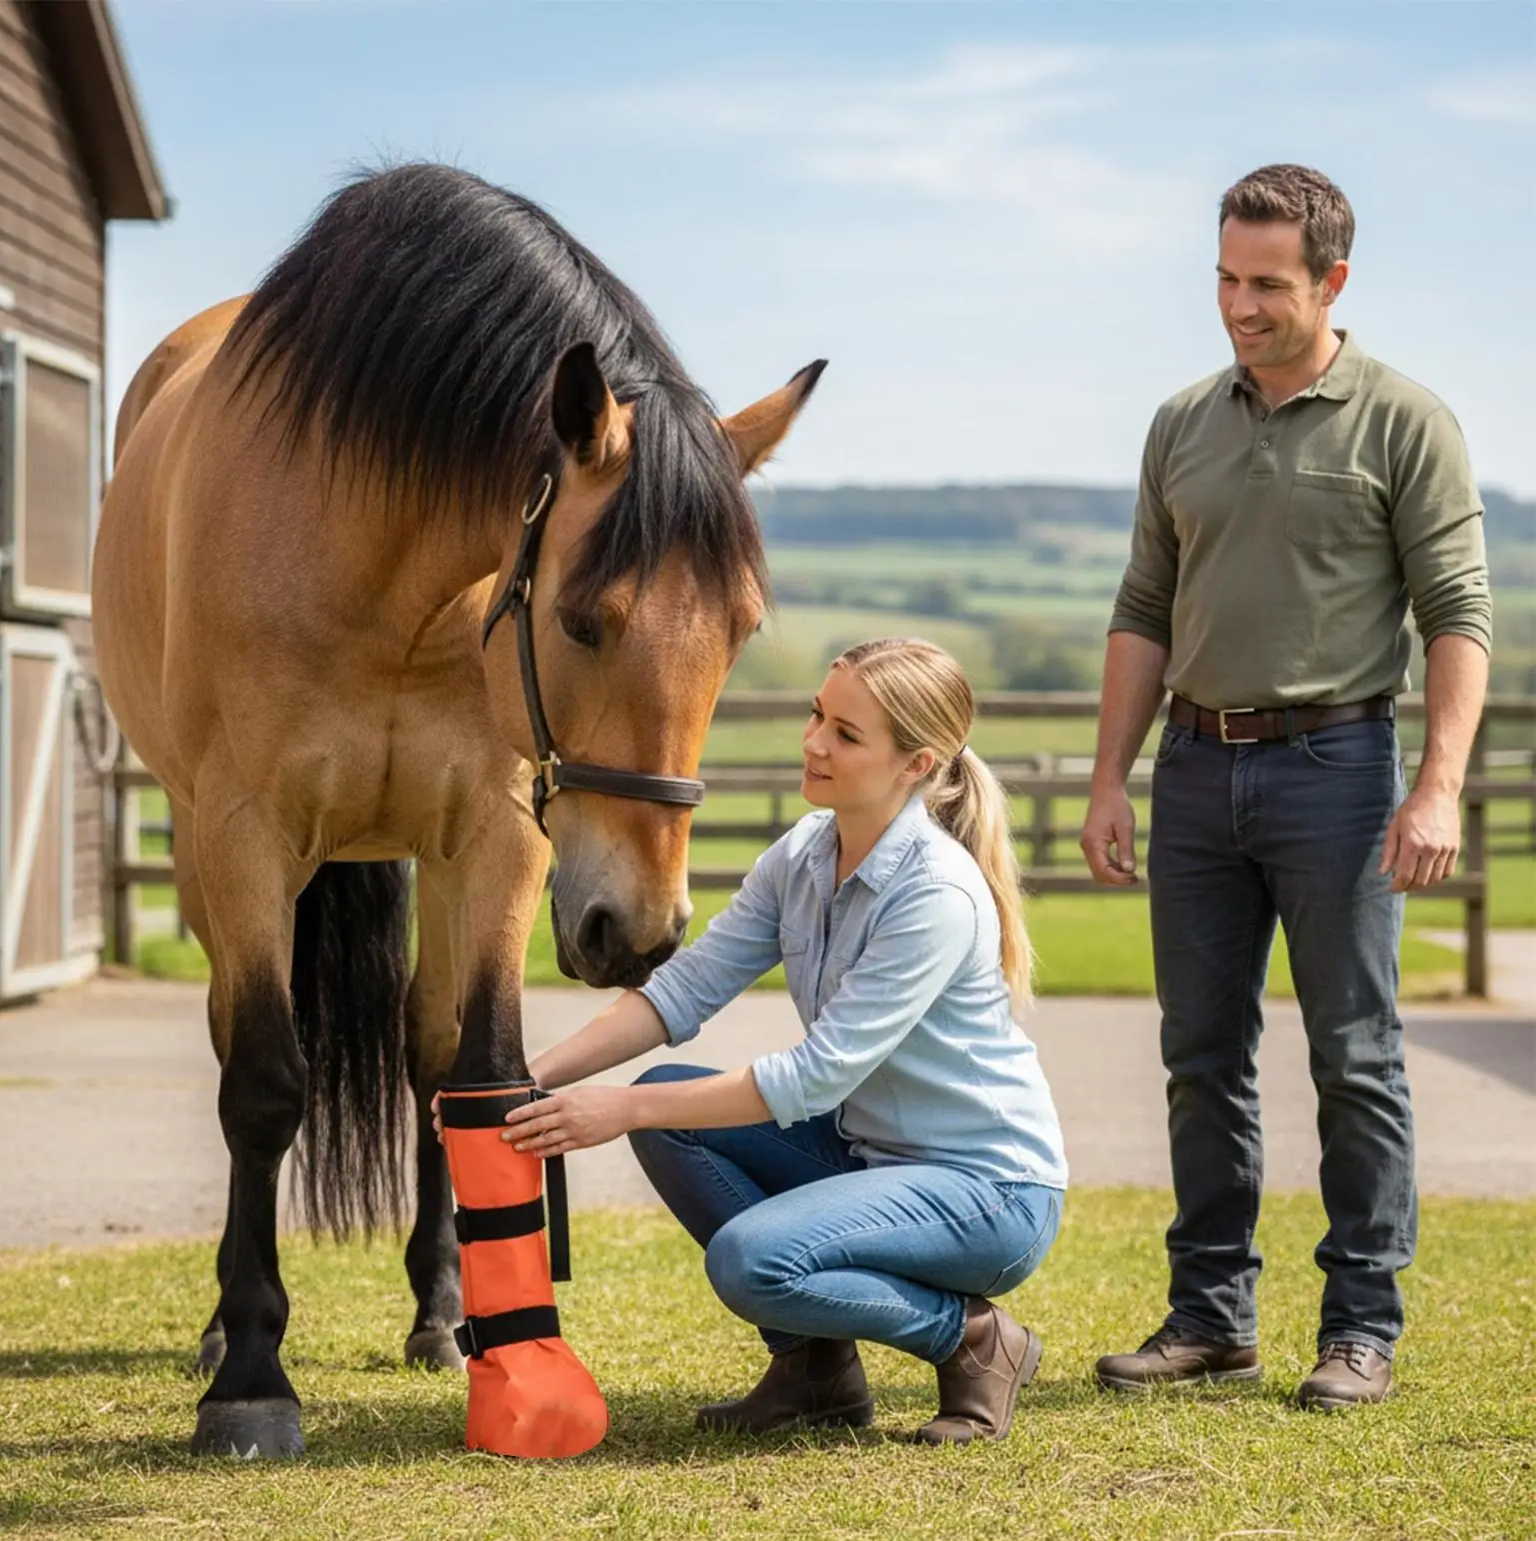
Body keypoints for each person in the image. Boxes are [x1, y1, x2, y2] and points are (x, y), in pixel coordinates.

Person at [1080, 164, 1492, 1409]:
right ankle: (1210, 1316)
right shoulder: (1178, 423)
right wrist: (1111, 775)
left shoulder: (1401, 420)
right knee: (1199, 1053)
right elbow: (1143, 606)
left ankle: (1358, 1324)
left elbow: (1456, 613)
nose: (1238, 305)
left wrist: (1437, 788)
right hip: (1195, 770)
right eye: (1223, 277)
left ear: (1331, 282)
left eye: (1266, 283)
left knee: (1353, 1055)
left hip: (1339, 773)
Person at [440, 638, 1066, 1445]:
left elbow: (814, 1074)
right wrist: (516, 1081)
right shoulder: (804, 853)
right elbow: (682, 990)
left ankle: (977, 1340)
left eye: (846, 733)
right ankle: (816, 1373)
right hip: (870, 1156)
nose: (812, 741)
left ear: (916, 764)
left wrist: (619, 1106)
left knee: (751, 1259)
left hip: (989, 1193)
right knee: (671, 1112)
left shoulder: (935, 895)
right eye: (816, 714)